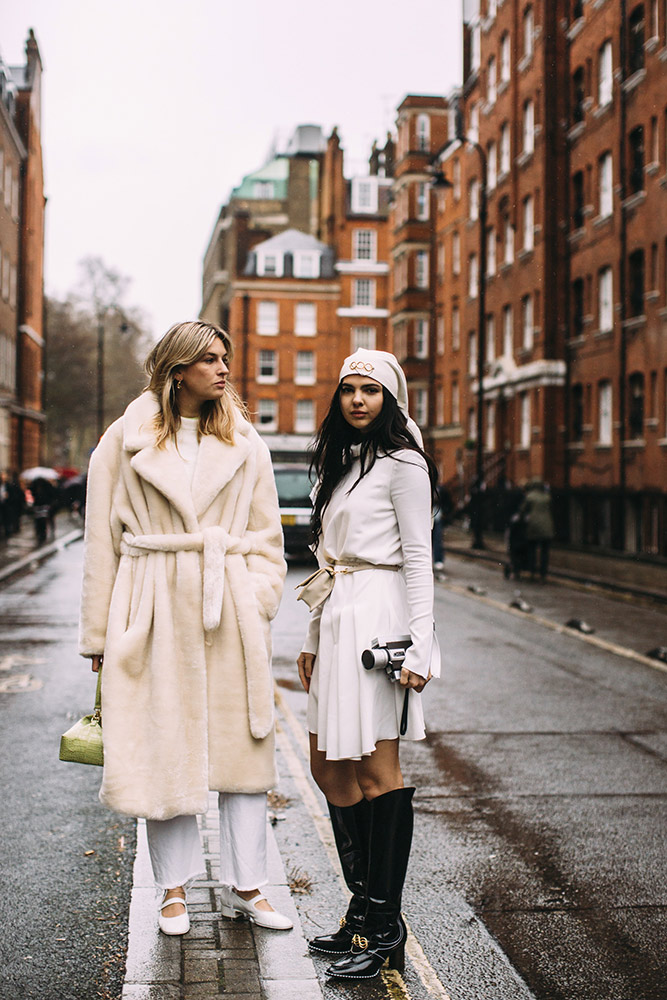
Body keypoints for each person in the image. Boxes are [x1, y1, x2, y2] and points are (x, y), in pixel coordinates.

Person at [78, 320, 291, 937]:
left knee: (243, 757)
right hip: (153, 607)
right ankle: (172, 893)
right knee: (162, 750)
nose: (224, 370)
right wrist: (99, 635)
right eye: (210, 360)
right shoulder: (123, 441)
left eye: (225, 359)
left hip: (229, 606)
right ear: (177, 371)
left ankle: (250, 885)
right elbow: (101, 545)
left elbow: (266, 539)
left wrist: (256, 596)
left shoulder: (245, 441)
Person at [296, 348, 440, 981]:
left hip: (381, 622)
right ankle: (363, 910)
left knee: (379, 768)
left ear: (391, 400)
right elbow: (327, 560)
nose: (358, 399)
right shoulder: (340, 461)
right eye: (349, 389)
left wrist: (423, 644)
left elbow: (418, 561)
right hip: (336, 618)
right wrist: (310, 635)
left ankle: (383, 926)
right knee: (327, 765)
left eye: (371, 391)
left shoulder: (406, 465)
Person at [520, 477, 555, 581]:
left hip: (533, 526)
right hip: (547, 527)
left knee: (532, 550)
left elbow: (522, 510)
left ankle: (532, 572)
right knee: (545, 552)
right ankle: (543, 574)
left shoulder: (529, 497)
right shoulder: (547, 497)